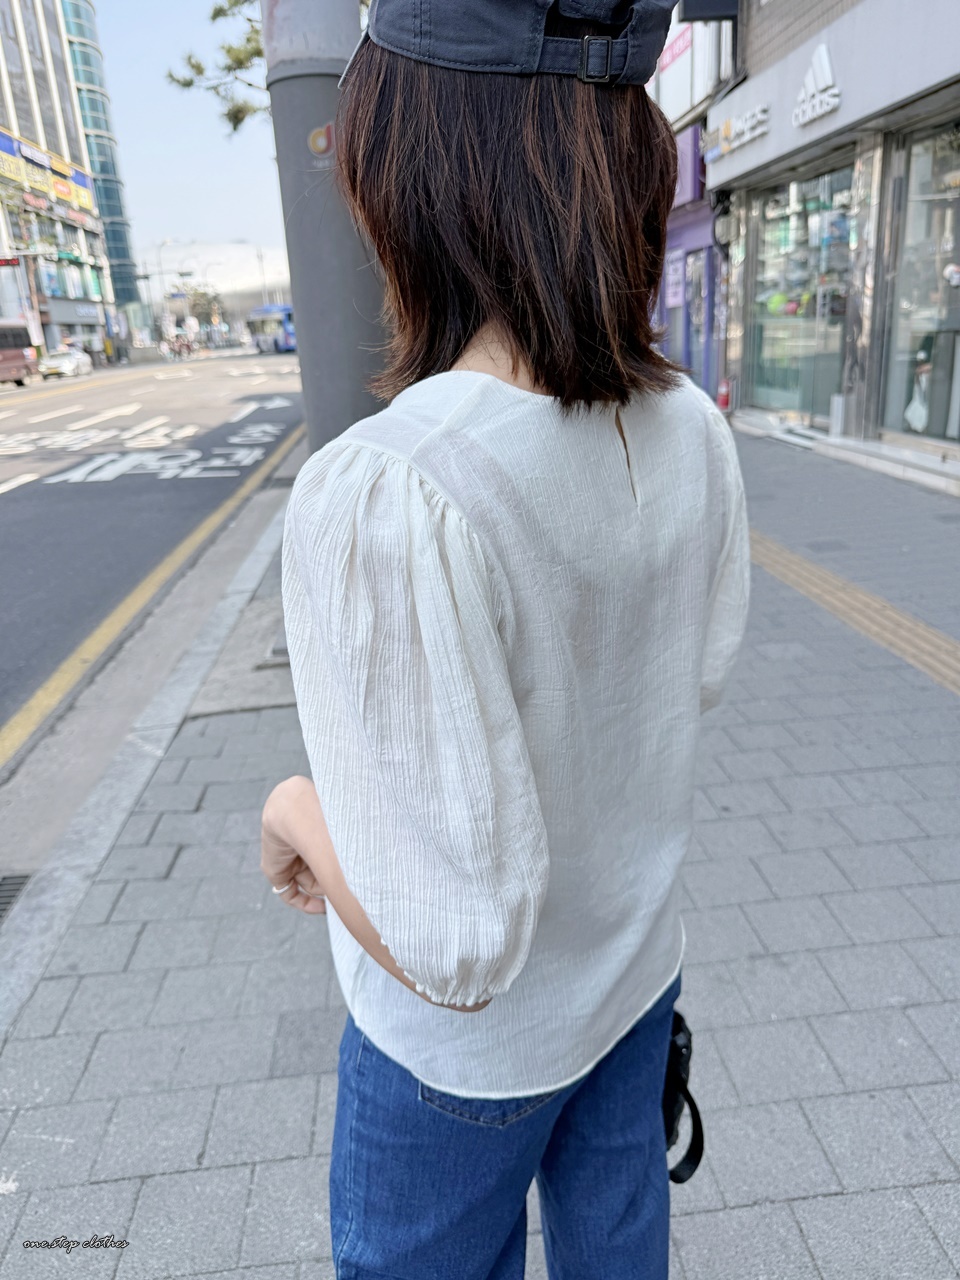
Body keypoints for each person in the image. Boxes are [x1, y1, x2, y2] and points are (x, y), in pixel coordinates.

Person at [260, 2, 750, 1277]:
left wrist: (295, 809)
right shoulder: (691, 427)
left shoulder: (393, 485)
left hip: (464, 1064)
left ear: (407, 169)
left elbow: (453, 945)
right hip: (632, 980)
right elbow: (694, 675)